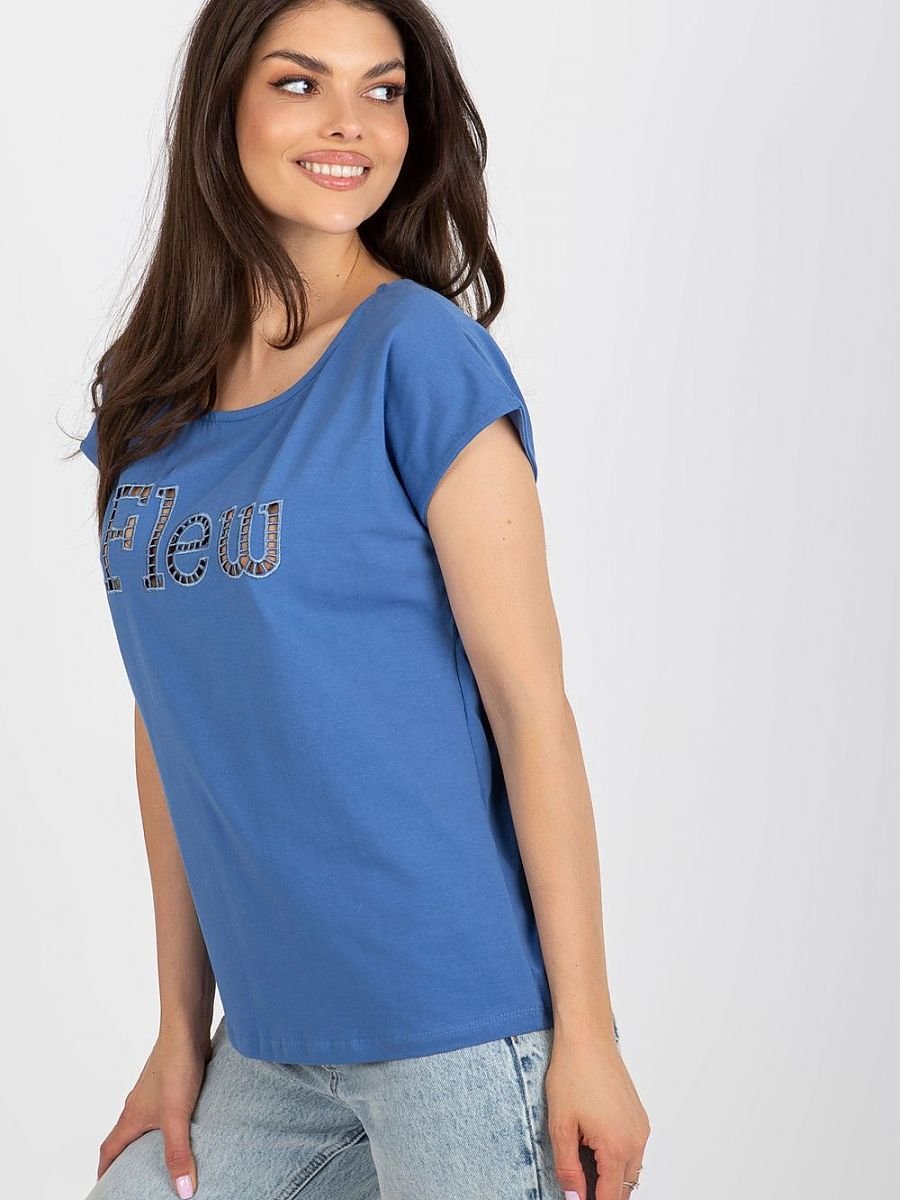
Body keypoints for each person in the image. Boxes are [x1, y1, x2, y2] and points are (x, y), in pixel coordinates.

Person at [76, 1, 651, 1197]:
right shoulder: (151, 398)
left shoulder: (416, 354)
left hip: (454, 1024)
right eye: (301, 84)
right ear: (222, 107)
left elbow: (530, 706)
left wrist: (588, 1035)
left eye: (382, 92)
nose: (351, 124)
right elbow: (171, 720)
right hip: (270, 1040)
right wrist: (179, 1030)